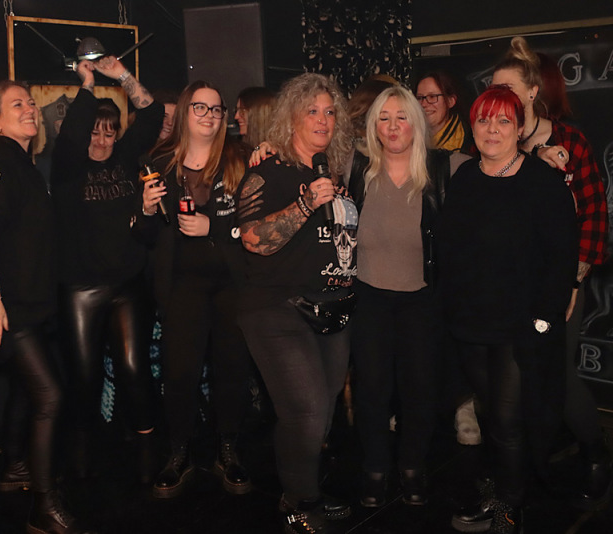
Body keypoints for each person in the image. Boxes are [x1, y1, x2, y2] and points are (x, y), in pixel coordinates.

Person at [441, 85, 577, 534]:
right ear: (473, 127)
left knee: (506, 419)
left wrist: (542, 320)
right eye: (484, 120)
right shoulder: (465, 177)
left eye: (504, 120)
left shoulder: (542, 182)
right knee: (488, 416)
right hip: (471, 325)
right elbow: (452, 251)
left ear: (520, 129)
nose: (492, 129)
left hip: (520, 328)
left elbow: (561, 257)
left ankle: (510, 506)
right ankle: (504, 485)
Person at [0, 80, 95, 534]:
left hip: (34, 304)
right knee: (49, 396)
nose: (29, 109)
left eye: (30, 103)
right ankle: (43, 507)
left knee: (26, 390)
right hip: (12, 308)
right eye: (16, 104)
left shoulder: (25, 165)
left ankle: (16, 467)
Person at [235, 72, 355, 533]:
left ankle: (307, 490)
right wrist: (305, 204)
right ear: (291, 118)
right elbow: (252, 239)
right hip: (275, 308)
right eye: (312, 111)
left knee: (322, 410)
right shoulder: (267, 172)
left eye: (330, 111)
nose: (323, 119)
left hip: (331, 308)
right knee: (306, 409)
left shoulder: (333, 172)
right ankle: (299, 503)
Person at [492, 37, 609, 507]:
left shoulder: (570, 142)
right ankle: (518, 471)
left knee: (557, 373)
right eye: (493, 89)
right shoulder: (496, 140)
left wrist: (573, 280)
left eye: (508, 89)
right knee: (511, 378)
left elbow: (594, 216)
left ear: (532, 92)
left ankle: (596, 454)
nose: (499, 97)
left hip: (560, 282)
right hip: (509, 284)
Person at [347, 85, 467, 509]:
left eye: (401, 117)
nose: (393, 126)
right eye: (384, 118)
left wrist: (541, 156)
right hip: (369, 297)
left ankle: (413, 466)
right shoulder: (355, 167)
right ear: (373, 126)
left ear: (416, 122)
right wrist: (265, 145)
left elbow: (500, 165)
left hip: (422, 299)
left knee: (419, 389)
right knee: (372, 389)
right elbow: (302, 156)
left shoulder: (445, 166)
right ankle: (376, 468)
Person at [51, 56, 162, 484]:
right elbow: (72, 133)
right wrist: (87, 82)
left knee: (134, 368)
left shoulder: (127, 157)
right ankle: (80, 460)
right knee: (85, 377)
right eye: (95, 132)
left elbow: (151, 113)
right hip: (81, 287)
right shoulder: (68, 168)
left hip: (127, 283)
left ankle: (148, 450)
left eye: (109, 132)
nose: (101, 140)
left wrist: (123, 76)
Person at [139, 80, 253, 499]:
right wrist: (146, 210)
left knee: (231, 369)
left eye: (216, 109)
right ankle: (179, 452)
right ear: (185, 112)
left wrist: (213, 228)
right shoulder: (158, 162)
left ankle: (228, 449)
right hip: (182, 283)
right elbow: (145, 237)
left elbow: (255, 226)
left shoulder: (241, 159)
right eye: (200, 108)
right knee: (180, 372)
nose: (209, 115)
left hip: (231, 282)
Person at [415, 70, 472, 153]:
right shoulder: (408, 136)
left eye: (432, 97)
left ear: (450, 101)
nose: (423, 104)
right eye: (420, 98)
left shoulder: (468, 144)